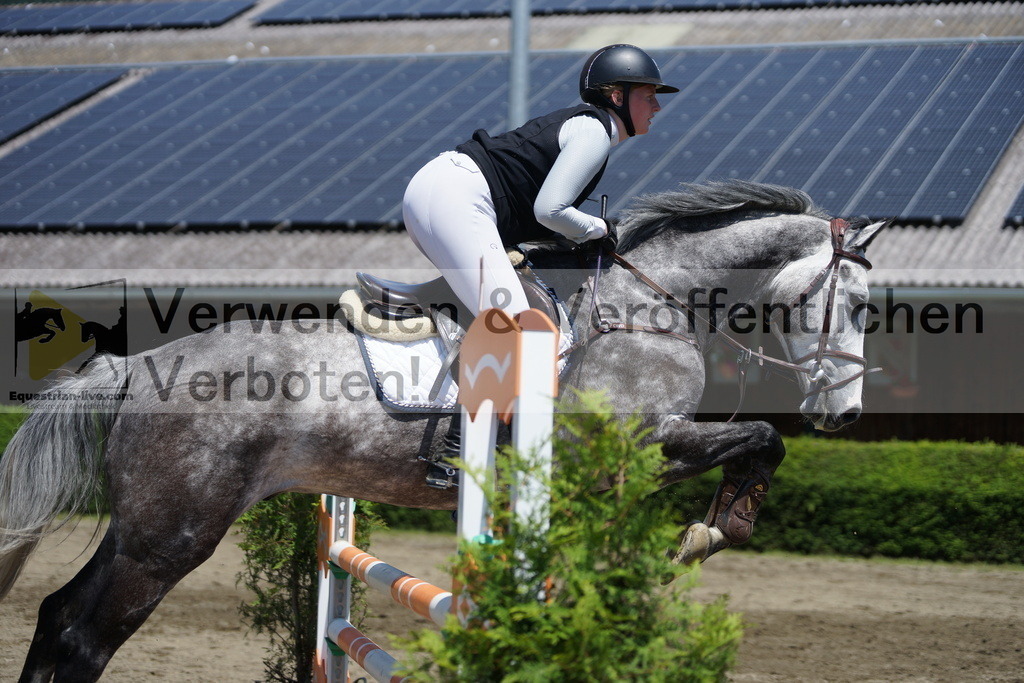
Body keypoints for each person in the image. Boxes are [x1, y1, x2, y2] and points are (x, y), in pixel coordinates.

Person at [401, 44, 678, 488]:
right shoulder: (594, 131)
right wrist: (598, 229)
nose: (658, 105)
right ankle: (456, 456)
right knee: (520, 325)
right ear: (616, 96)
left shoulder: (590, 129)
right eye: (649, 94)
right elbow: (551, 210)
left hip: (446, 193)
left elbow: (543, 216)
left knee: (515, 309)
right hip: (457, 197)